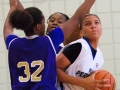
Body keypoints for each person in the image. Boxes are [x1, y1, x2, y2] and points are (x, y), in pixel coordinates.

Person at [3, 0, 97, 90]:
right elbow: (78, 17)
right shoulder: (49, 41)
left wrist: (12, 7)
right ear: (38, 27)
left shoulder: (13, 44)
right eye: (44, 22)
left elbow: (7, 30)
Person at [56, 14, 111, 90]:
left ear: (101, 29)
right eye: (88, 24)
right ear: (81, 32)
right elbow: (53, 69)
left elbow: (90, 83)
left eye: (96, 23)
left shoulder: (99, 55)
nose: (93, 26)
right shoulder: (78, 47)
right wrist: (83, 82)